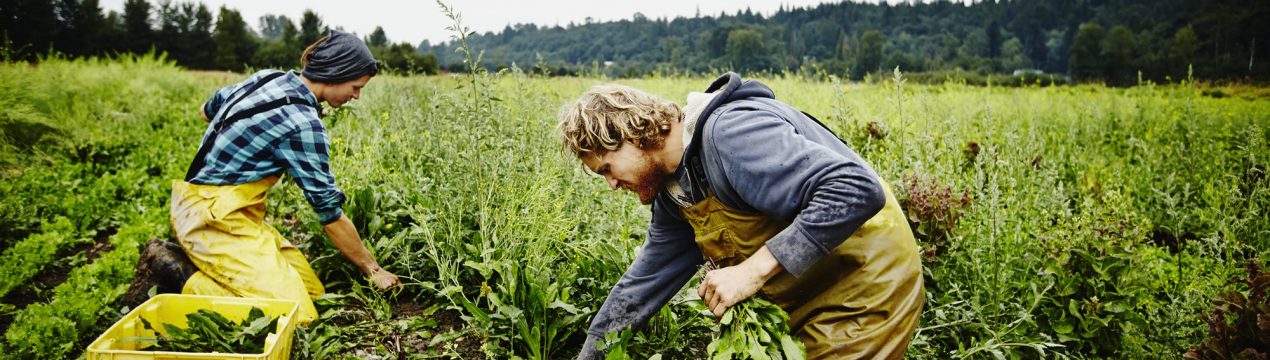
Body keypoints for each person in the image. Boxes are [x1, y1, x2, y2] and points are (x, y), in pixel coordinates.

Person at [556, 73, 925, 359]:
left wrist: (751, 272)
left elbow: (855, 189)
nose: (611, 184)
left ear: (632, 135)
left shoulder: (730, 133)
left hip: (864, 282)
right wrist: (592, 354)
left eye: (607, 168)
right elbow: (642, 285)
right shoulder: (674, 191)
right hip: (807, 295)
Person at [124, 30, 400, 325]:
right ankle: (174, 273)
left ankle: (211, 269)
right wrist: (373, 270)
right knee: (295, 316)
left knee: (313, 293)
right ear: (336, 74)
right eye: (356, 87)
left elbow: (207, 110)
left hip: (221, 209)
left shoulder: (268, 78)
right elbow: (329, 212)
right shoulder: (303, 124)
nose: (356, 96)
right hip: (213, 220)